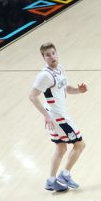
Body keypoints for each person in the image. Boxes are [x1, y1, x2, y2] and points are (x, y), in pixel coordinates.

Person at [29, 42, 88, 192]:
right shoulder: (44, 76)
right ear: (44, 58)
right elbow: (32, 96)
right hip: (58, 117)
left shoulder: (60, 69)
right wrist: (46, 115)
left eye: (53, 53)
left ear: (57, 53)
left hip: (58, 115)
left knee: (61, 149)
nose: (52, 56)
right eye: (48, 55)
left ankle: (50, 180)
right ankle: (64, 174)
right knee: (80, 145)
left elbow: (65, 88)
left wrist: (78, 90)